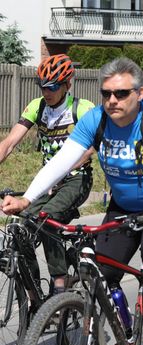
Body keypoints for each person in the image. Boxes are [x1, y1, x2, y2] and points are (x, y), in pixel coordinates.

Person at [2, 57, 143, 345]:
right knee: (101, 272)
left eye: (121, 93)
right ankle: (126, 339)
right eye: (106, 93)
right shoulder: (96, 119)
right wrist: (27, 199)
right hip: (124, 205)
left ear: (139, 93)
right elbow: (62, 160)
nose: (112, 100)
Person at [0, 54, 94, 297]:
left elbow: (93, 146)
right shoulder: (37, 106)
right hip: (48, 181)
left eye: (51, 87)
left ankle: (59, 283)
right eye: (41, 86)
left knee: (47, 218)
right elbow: (9, 143)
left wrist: (65, 170)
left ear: (67, 84)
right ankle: (34, 297)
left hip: (77, 178)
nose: (46, 92)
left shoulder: (82, 108)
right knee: (21, 228)